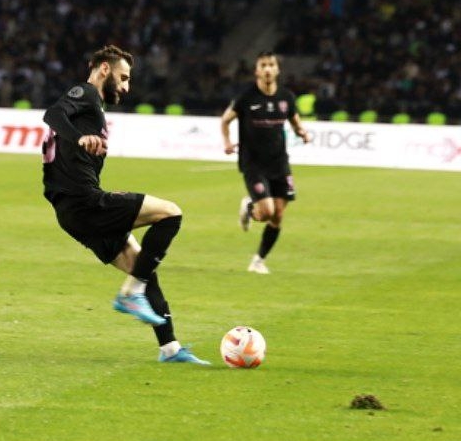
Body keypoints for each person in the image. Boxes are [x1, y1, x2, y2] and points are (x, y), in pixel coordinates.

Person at [42, 45, 209, 365]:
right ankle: (130, 293)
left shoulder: (91, 108)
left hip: (72, 211)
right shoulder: (86, 93)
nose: (126, 87)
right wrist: (78, 137)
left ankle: (170, 349)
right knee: (170, 213)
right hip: (84, 203)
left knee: (144, 267)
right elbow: (52, 114)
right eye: (123, 77)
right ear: (104, 69)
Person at [221, 51, 311, 274]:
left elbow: (295, 122)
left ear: (277, 70)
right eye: (263, 65)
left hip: (279, 163)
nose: (268, 69)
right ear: (257, 71)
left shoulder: (286, 97)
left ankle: (258, 261)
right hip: (253, 164)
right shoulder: (246, 97)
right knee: (267, 212)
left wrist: (302, 133)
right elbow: (225, 120)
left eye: (271, 65)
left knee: (278, 215)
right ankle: (250, 207)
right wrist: (227, 141)